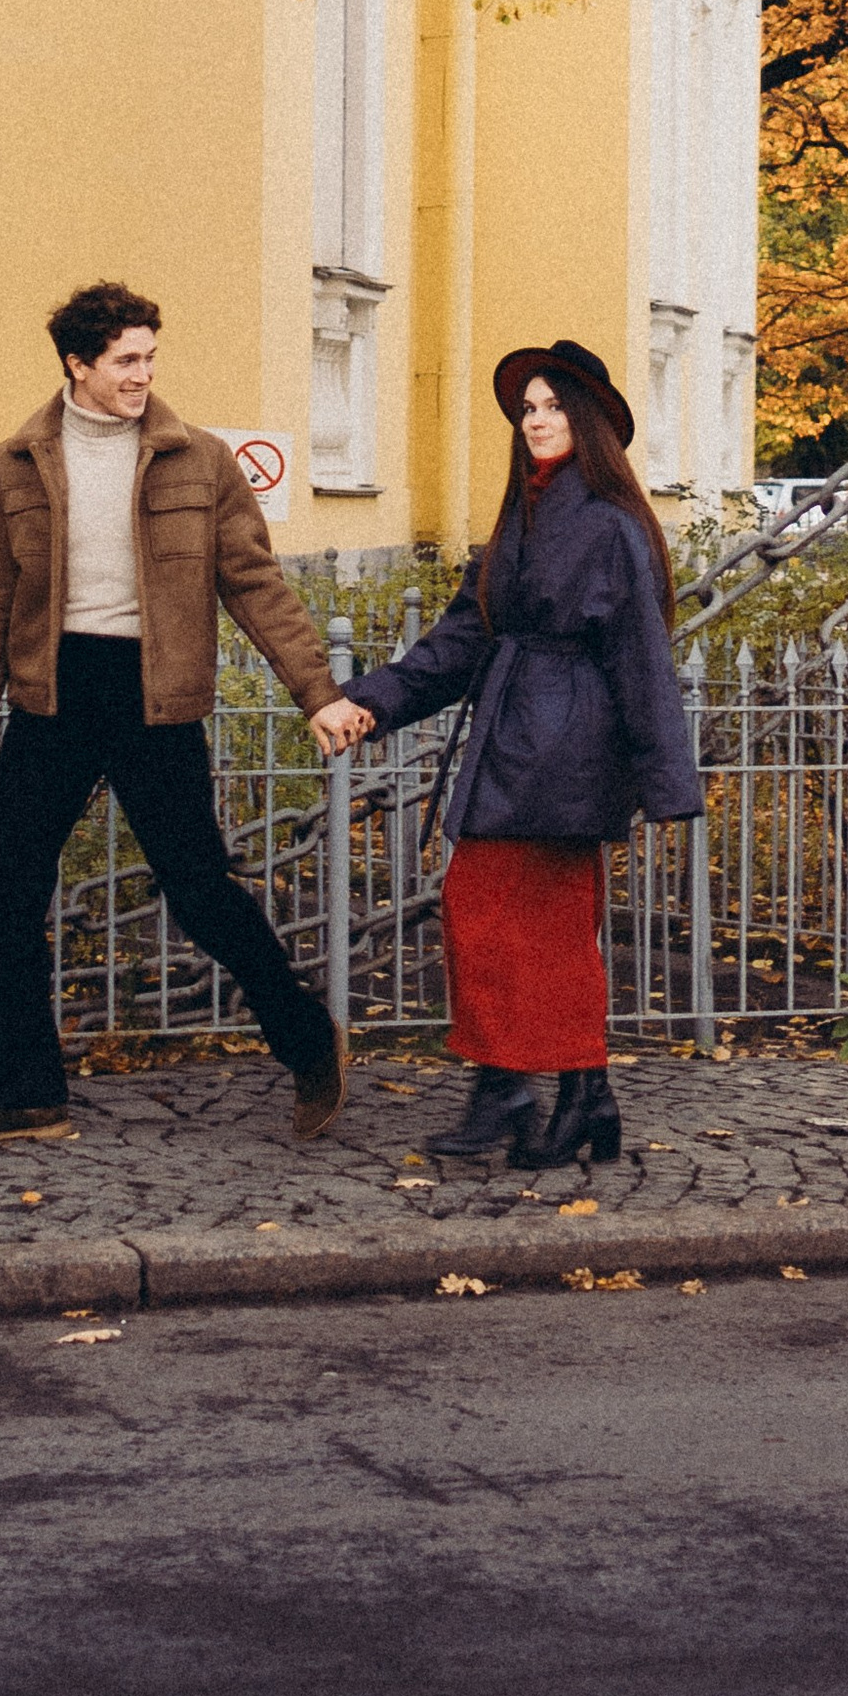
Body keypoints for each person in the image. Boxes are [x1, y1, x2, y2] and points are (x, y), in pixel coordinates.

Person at [0, 279, 352, 1147]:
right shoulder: (19, 461)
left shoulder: (195, 458)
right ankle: (21, 1094)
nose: (142, 375)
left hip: (153, 698)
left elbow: (255, 586)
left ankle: (311, 1046)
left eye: (149, 358)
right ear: (76, 365)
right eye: (125, 360)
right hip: (51, 693)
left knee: (198, 891)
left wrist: (318, 693)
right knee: (9, 894)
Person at [313, 339, 704, 1169]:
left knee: (536, 927)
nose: (537, 420)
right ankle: (527, 1089)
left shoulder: (610, 527)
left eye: (554, 406)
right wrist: (368, 703)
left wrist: (666, 780)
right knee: (486, 918)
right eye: (528, 409)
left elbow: (642, 655)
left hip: (570, 751)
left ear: (589, 419)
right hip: (513, 740)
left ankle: (561, 1091)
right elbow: (459, 642)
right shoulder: (518, 522)